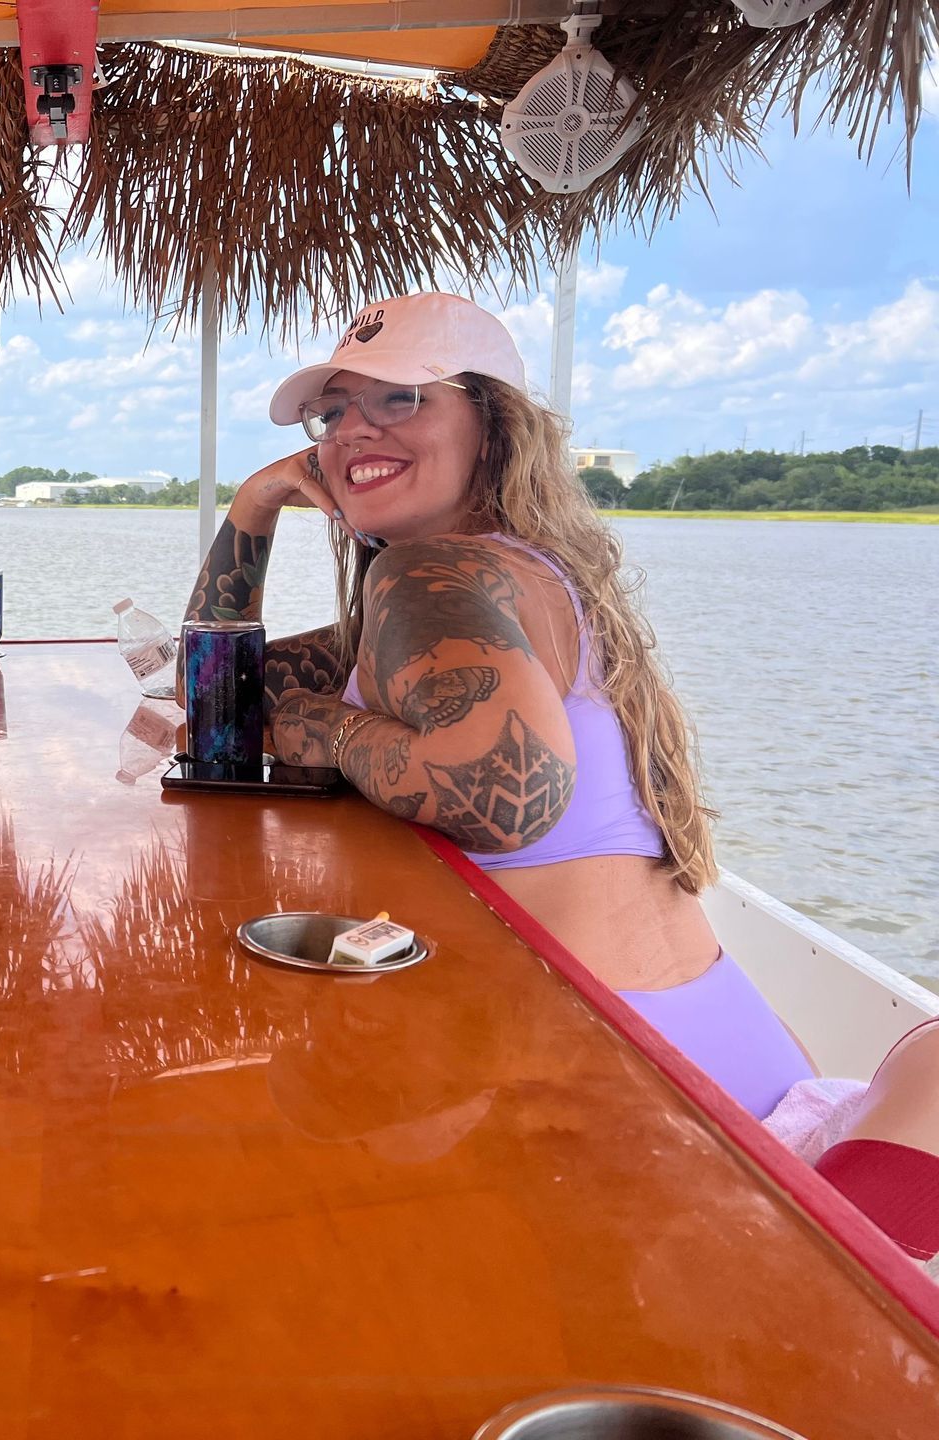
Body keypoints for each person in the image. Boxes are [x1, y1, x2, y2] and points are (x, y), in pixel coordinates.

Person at [184, 291, 939, 1266]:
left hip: (625, 1082)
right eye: (334, 413)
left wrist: (324, 729)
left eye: (401, 400)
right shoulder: (510, 577)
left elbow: (503, 791)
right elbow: (221, 703)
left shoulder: (426, 580)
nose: (353, 431)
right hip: (733, 1047)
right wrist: (258, 500)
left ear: (492, 425)